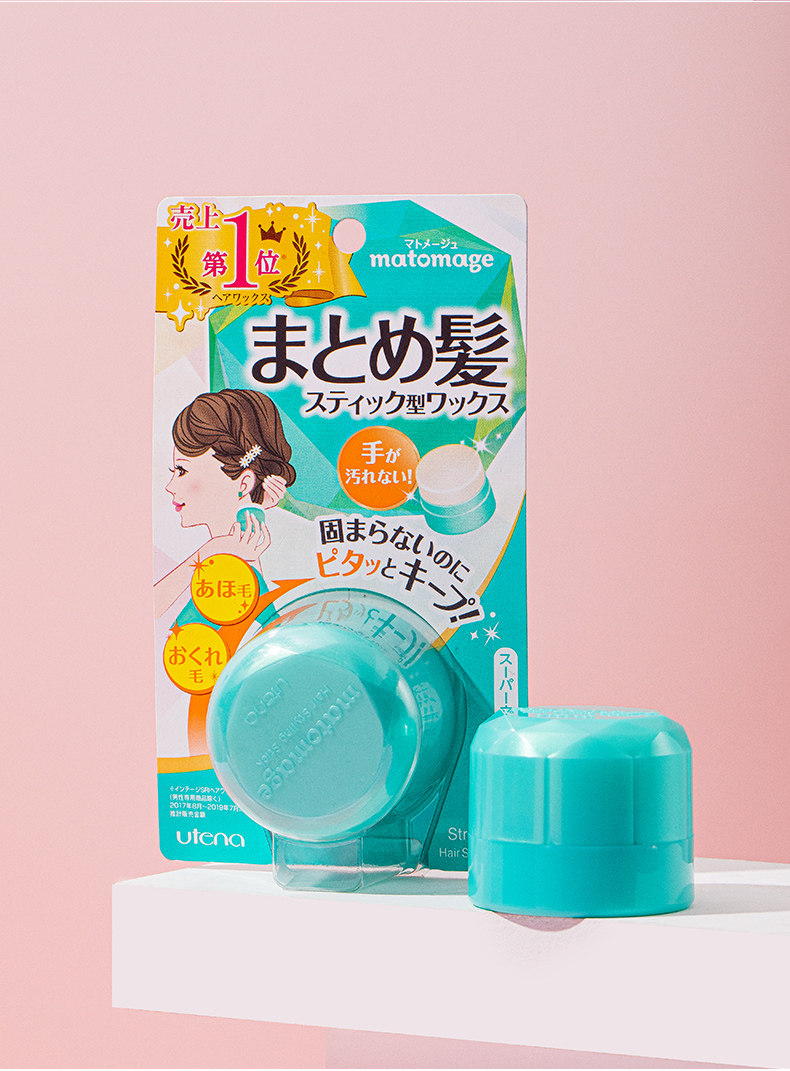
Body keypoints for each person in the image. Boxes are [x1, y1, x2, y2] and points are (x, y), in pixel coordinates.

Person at [154, 388, 296, 619]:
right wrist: (212, 550)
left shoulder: (231, 578)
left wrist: (215, 551)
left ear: (244, 483)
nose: (169, 486)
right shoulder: (233, 566)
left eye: (182, 470)